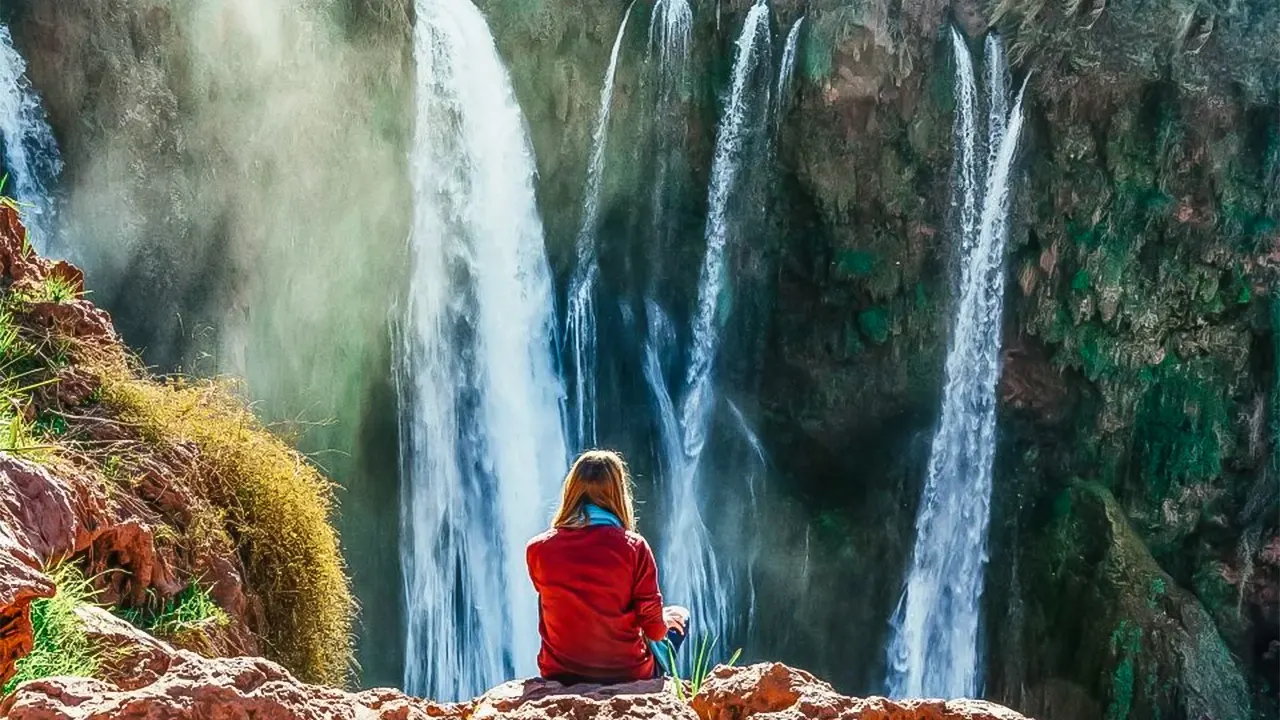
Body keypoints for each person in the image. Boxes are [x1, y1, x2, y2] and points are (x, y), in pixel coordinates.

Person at [527, 449, 690, 684]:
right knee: (681, 616)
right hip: (628, 673)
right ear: (619, 493)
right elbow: (654, 630)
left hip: (561, 673)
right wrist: (661, 618)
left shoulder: (538, 549)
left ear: (570, 490)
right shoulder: (634, 547)